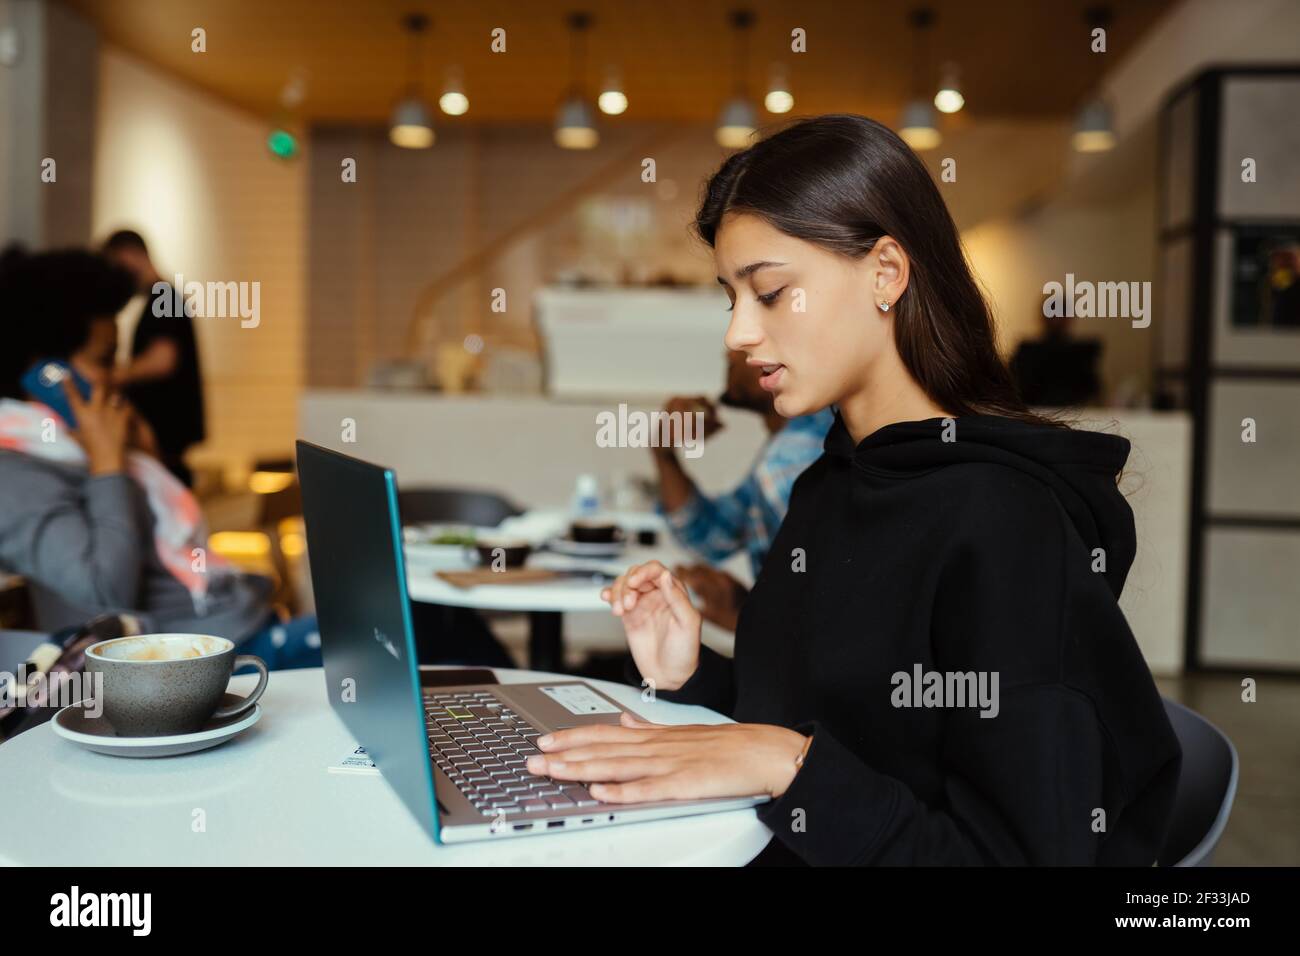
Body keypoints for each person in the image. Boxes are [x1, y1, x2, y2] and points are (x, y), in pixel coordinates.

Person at [524, 115, 1182, 866]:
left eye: (770, 293)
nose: (738, 333)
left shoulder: (1004, 524)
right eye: (729, 298)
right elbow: (827, 724)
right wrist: (690, 671)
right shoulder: (831, 483)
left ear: (886, 274)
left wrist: (789, 767)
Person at [0, 247, 318, 671]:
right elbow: (104, 596)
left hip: (234, 629)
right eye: (104, 360)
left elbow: (167, 540)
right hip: (194, 665)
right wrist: (109, 467)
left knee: (402, 631)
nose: (117, 378)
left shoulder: (76, 445)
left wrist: (140, 458)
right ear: (46, 374)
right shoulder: (14, 474)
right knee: (400, 641)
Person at [653, 351, 832, 630]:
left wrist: (742, 620)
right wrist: (664, 452)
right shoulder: (790, 445)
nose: (730, 348)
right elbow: (710, 536)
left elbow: (823, 620)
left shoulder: (787, 462)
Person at [102, 230, 205, 486]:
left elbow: (162, 360)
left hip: (166, 435)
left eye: (118, 264)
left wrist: (113, 376)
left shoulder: (164, 296)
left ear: (132, 255)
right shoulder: (162, 297)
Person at [1009, 307, 1102, 407]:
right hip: (1036, 411)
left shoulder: (1082, 352)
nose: (1057, 320)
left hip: (1069, 412)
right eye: (1053, 315)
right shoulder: (1026, 350)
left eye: (1061, 315)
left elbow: (1092, 389)